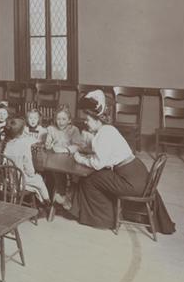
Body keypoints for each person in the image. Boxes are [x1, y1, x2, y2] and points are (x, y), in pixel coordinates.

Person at [68, 90, 176, 234]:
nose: (85, 122)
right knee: (100, 176)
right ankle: (104, 214)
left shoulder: (103, 134)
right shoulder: (109, 130)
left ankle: (103, 220)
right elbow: (105, 156)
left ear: (97, 119)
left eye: (87, 119)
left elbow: (97, 164)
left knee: (89, 179)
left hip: (131, 182)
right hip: (138, 173)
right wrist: (88, 153)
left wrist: (79, 158)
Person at [2, 117, 50, 204]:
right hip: (21, 180)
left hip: (10, 179)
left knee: (35, 180)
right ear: (22, 132)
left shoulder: (7, 144)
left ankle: (42, 200)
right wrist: (33, 174)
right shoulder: (24, 146)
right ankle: (46, 202)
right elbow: (29, 169)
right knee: (39, 179)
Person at [44, 105, 84, 208]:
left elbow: (78, 146)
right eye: (58, 119)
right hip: (57, 160)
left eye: (63, 119)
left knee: (75, 177)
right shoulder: (51, 129)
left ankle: (70, 195)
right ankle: (61, 194)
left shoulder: (74, 130)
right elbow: (48, 144)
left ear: (69, 120)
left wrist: (65, 149)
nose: (60, 122)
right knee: (56, 171)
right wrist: (48, 144)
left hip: (70, 159)